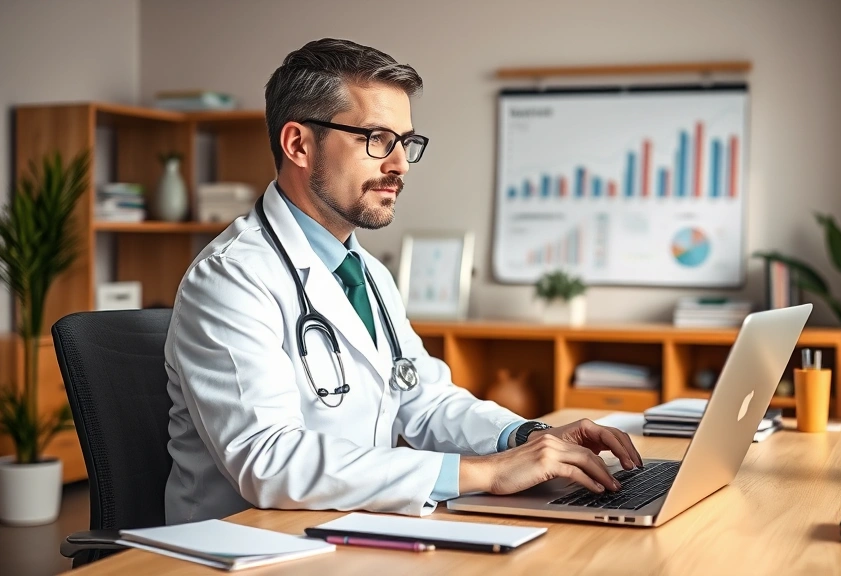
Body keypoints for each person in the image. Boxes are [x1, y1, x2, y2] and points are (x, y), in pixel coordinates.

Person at [163, 38, 642, 524]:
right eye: (376, 139)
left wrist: (528, 438)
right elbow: (268, 461)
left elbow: (424, 401)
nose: (400, 164)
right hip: (249, 542)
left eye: (404, 142)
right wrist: (485, 472)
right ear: (298, 145)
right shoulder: (231, 277)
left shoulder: (368, 273)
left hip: (348, 525)